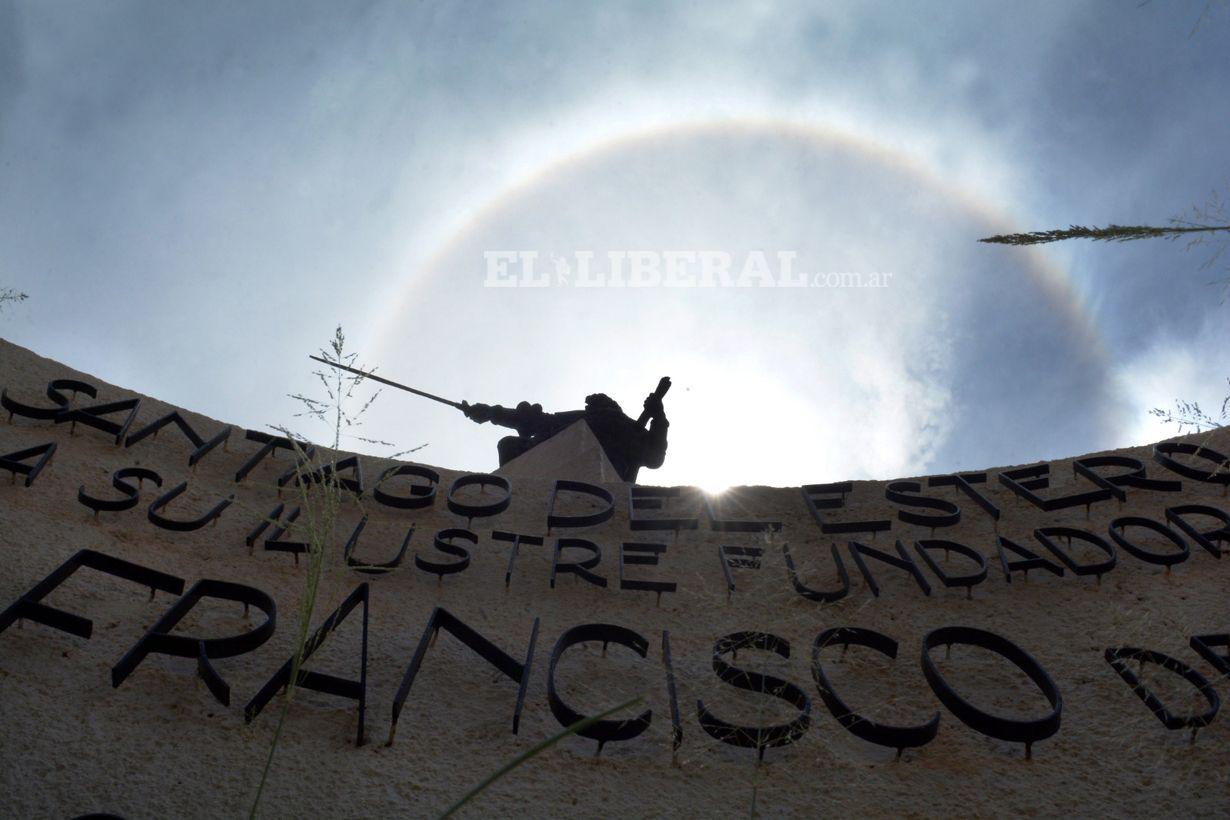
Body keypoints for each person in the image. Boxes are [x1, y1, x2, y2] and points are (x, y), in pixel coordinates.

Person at [459, 390, 669, 482]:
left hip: (604, 481)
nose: (590, 406)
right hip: (552, 466)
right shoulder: (584, 419)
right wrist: (490, 413)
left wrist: (658, 415)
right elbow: (536, 421)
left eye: (594, 403)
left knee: (509, 445)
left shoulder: (623, 426)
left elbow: (654, 457)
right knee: (510, 446)